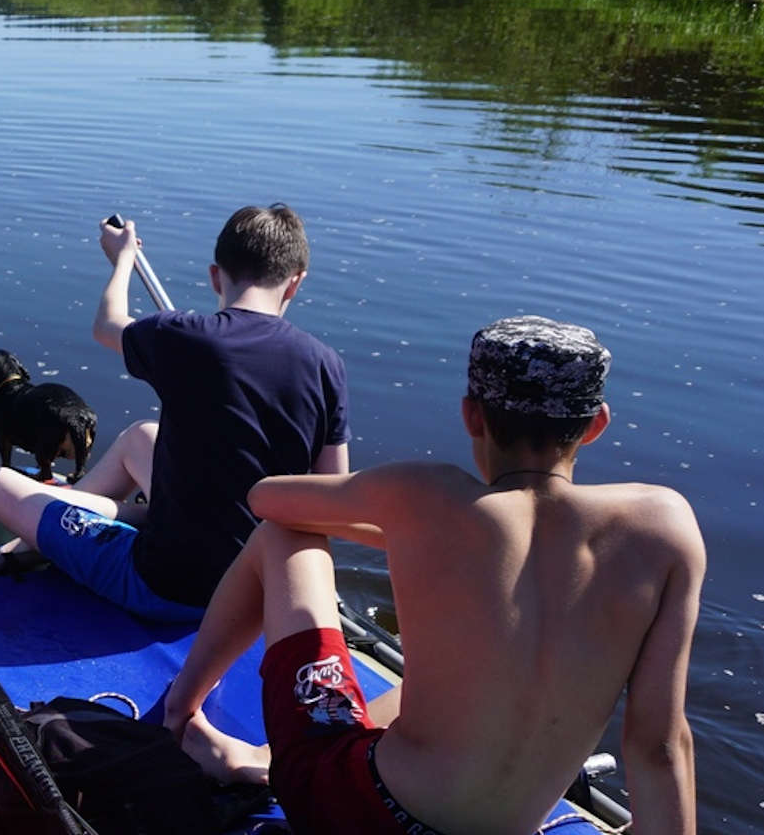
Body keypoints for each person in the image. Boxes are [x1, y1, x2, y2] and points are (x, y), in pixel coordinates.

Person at [162, 316, 702, 835]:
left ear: (471, 415)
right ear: (596, 425)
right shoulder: (663, 527)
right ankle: (254, 753)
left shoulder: (428, 495)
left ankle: (180, 713)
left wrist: (401, 531)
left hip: (353, 811)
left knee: (282, 537)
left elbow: (268, 500)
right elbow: (658, 743)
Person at [0, 204, 350, 621]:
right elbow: (334, 496)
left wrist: (123, 259)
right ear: (295, 284)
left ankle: (49, 530)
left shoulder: (184, 336)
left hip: (165, 588)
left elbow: (108, 324)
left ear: (214, 275)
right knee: (142, 436)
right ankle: (91, 512)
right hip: (256, 586)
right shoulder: (325, 363)